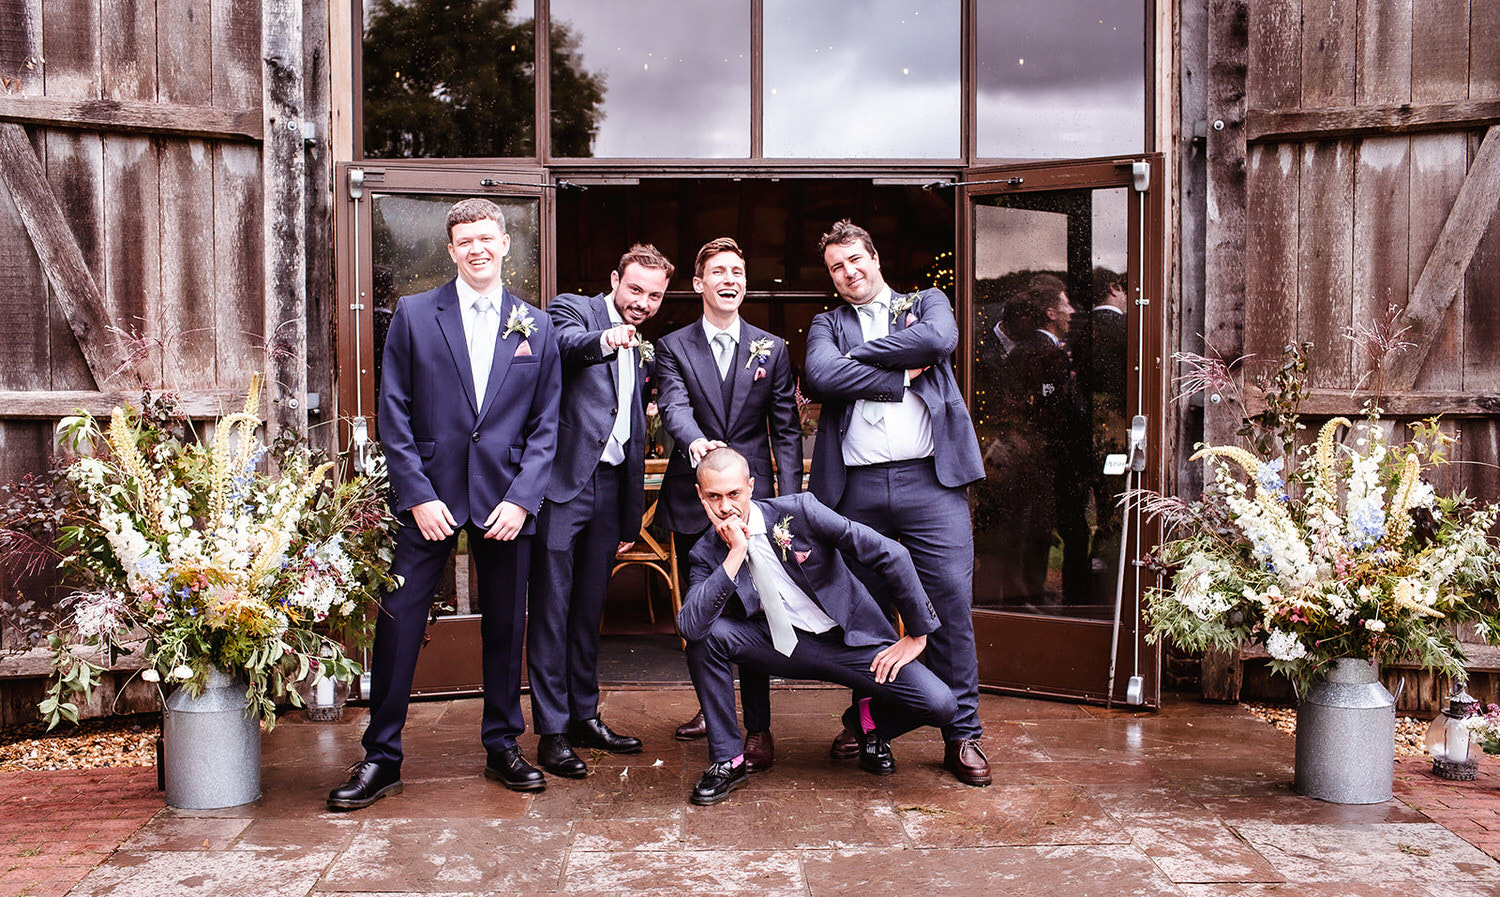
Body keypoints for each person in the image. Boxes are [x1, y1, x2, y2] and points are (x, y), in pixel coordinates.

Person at [327, 198, 561, 810]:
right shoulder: (412, 314)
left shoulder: (537, 327)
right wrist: (418, 494)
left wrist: (522, 500)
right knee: (399, 622)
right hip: (429, 497)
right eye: (465, 241)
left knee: (508, 626)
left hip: (506, 503)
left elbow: (546, 425)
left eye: (487, 237)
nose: (477, 248)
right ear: (452, 250)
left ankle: (502, 744)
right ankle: (381, 756)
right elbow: (393, 410)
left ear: (506, 245)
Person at [803, 219, 989, 787]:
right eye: (837, 267)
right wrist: (892, 374)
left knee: (950, 603)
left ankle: (963, 734)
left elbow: (937, 342)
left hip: (931, 482)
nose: (848, 272)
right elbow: (817, 374)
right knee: (866, 616)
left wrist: (855, 364)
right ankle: (871, 721)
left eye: (855, 260)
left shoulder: (926, 301)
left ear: (874, 258)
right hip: (855, 489)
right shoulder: (824, 323)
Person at [678, 448, 956, 806]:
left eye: (734, 494)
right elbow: (690, 626)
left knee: (941, 703)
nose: (725, 507)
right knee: (706, 638)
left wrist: (917, 634)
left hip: (852, 643)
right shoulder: (706, 552)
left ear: (751, 487)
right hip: (781, 647)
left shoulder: (801, 511)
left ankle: (869, 722)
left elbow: (891, 554)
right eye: (713, 496)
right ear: (700, 496)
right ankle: (728, 760)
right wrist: (734, 554)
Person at [653, 237, 802, 771]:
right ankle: (712, 712)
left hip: (753, 499)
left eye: (737, 271)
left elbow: (785, 429)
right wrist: (696, 442)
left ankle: (757, 730)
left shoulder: (773, 347)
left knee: (752, 608)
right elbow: (672, 402)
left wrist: (786, 498)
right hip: (696, 499)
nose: (729, 279)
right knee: (702, 611)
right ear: (699, 284)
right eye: (718, 271)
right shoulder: (672, 346)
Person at [525, 244, 674, 779]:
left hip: (612, 490)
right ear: (615, 277)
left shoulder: (642, 342)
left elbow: (631, 426)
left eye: (654, 296)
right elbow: (563, 347)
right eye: (635, 289)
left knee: (590, 612)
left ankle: (585, 715)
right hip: (566, 486)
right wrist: (605, 340)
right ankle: (552, 733)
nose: (642, 303)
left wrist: (631, 515)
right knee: (552, 611)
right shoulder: (575, 311)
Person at [1002, 282, 1091, 606]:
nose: (1072, 311)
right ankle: (1028, 595)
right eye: (1066, 304)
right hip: (1045, 457)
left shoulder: (1029, 348)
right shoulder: (1042, 352)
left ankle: (1033, 592)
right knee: (1037, 527)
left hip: (1044, 455)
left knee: (1038, 526)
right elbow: (1048, 409)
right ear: (1051, 313)